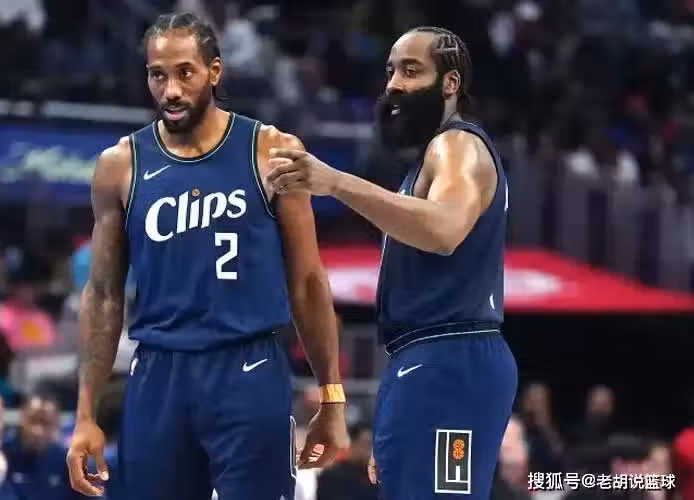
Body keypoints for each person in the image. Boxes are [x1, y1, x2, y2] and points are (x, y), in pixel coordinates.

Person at [65, 12, 349, 500]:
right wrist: (86, 412)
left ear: (214, 71)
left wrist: (332, 396)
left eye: (185, 73)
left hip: (249, 367)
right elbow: (104, 293)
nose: (171, 90)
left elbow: (307, 281)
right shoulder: (119, 165)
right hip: (159, 372)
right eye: (158, 75)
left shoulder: (272, 151)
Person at [267, 27, 518, 499]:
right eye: (390, 71)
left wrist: (335, 182)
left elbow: (444, 229)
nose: (394, 84)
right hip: (424, 360)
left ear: (450, 83)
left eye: (411, 70)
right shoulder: (428, 160)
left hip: (451, 358)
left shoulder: (457, 145)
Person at [2, 392, 83, 500]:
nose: (38, 431)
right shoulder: (2, 453)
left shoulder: (69, 462)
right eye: (33, 421)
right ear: (22, 418)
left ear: (56, 425)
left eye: (46, 423)